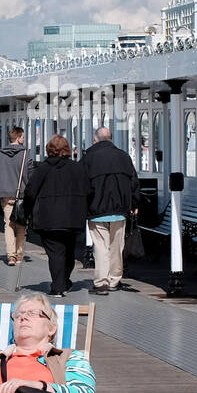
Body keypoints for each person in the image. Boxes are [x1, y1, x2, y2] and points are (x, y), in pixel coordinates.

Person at [23, 134, 88, 297]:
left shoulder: (43, 169)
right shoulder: (77, 168)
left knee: (55, 253)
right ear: (66, 150)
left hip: (48, 218)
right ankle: (64, 280)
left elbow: (30, 192)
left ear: (49, 150)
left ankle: (58, 287)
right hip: (73, 217)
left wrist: (26, 212)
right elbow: (88, 190)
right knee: (69, 251)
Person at [81, 126, 140, 295]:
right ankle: (114, 280)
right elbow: (134, 182)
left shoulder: (88, 158)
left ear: (95, 139)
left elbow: (82, 184)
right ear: (110, 138)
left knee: (100, 246)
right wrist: (134, 203)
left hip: (96, 210)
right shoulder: (123, 157)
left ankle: (101, 282)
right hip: (120, 210)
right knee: (116, 246)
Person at [0, 126, 31, 267]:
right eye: (23, 136)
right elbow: (29, 177)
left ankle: (10, 256)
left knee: (8, 225)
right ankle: (19, 254)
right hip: (21, 195)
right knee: (21, 226)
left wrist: (1, 189)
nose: (24, 139)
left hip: (5, 194)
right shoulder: (25, 154)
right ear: (19, 137)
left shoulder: (1, 154)